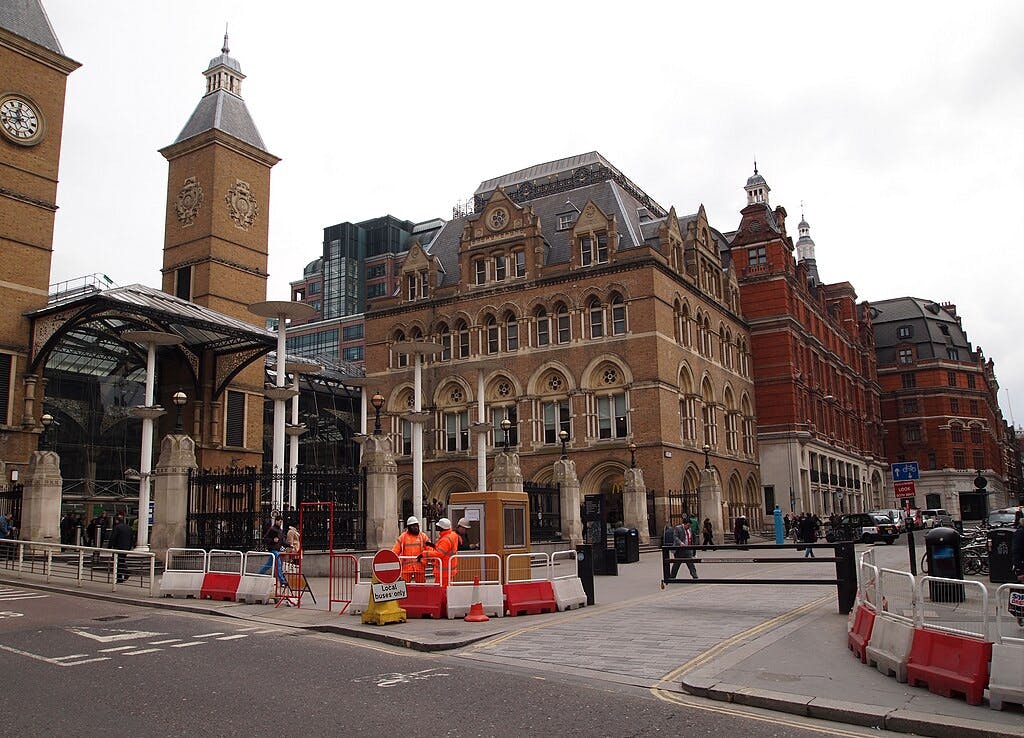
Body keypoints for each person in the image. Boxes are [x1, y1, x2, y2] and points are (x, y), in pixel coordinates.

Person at [392, 515, 432, 583]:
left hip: (420, 566)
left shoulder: (423, 536)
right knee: (404, 587)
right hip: (406, 568)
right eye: (413, 526)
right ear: (409, 527)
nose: (415, 527)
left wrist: (431, 558)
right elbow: (395, 550)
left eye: (416, 525)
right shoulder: (403, 537)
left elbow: (430, 549)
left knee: (421, 587)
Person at [257, 515, 288, 586]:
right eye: (279, 521)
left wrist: (289, 545)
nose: (280, 523)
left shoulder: (280, 531)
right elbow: (265, 539)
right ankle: (282, 581)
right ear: (276, 521)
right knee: (278, 564)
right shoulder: (272, 529)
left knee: (268, 565)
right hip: (273, 549)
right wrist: (272, 540)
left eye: (281, 522)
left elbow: (281, 542)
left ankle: (258, 575)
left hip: (276, 549)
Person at [432, 517, 461, 585]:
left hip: (443, 571)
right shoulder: (453, 535)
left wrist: (424, 554)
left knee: (441, 591)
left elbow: (439, 553)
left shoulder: (445, 539)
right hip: (449, 569)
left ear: (441, 528)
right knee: (447, 588)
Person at [108, 514, 133, 582]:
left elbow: (113, 537)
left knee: (118, 561)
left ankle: (123, 574)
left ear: (116, 521)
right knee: (121, 560)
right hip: (126, 547)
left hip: (118, 547)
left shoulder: (117, 527)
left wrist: (109, 546)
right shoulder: (128, 527)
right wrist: (130, 546)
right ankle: (120, 576)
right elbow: (131, 538)